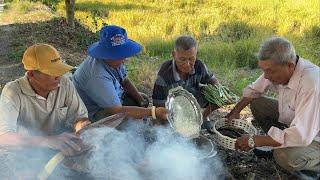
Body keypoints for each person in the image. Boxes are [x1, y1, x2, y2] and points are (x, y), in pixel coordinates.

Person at [226, 37, 320, 175]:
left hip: (314, 136)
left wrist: (255, 140)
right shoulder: (278, 70)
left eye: (270, 71)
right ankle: (280, 143)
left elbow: (301, 135)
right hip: (298, 124)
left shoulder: (311, 83)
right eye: (264, 70)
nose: (266, 76)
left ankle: (314, 163)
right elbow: (254, 91)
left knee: (283, 156)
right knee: (259, 103)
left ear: (290, 65)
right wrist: (235, 111)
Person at [0, 43, 91, 178]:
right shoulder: (13, 91)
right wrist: (49, 141)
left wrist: (82, 130)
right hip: (25, 150)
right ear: (31, 74)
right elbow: (4, 137)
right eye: (51, 72)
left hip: (58, 143)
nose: (58, 76)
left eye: (59, 71)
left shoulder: (64, 83)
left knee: (92, 165)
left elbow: (79, 117)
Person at [73, 25, 167, 122]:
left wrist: (140, 101)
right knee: (124, 122)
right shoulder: (97, 75)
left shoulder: (114, 61)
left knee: (143, 98)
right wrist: (153, 112)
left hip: (114, 99)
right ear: (107, 55)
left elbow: (124, 80)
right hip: (97, 112)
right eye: (119, 56)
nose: (124, 60)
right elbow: (116, 111)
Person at [152, 35, 219, 132]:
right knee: (165, 127)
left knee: (219, 95)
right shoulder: (164, 73)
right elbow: (158, 104)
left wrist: (218, 90)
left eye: (191, 59)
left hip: (192, 96)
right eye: (182, 59)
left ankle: (202, 118)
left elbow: (212, 80)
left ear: (196, 55)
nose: (187, 64)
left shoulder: (199, 65)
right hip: (173, 105)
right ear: (174, 55)